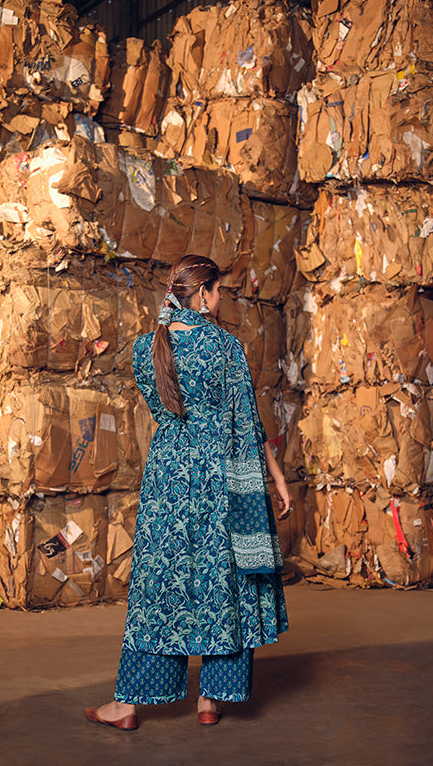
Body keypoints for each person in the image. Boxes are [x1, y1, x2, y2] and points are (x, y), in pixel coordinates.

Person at [85, 254, 291, 730]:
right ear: (201, 294)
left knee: (160, 582)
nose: (219, 301)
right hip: (222, 476)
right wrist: (275, 477)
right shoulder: (225, 347)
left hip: (169, 478)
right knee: (224, 579)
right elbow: (247, 422)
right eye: (217, 292)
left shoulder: (145, 349)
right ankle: (211, 700)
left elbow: (165, 409)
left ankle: (128, 704)